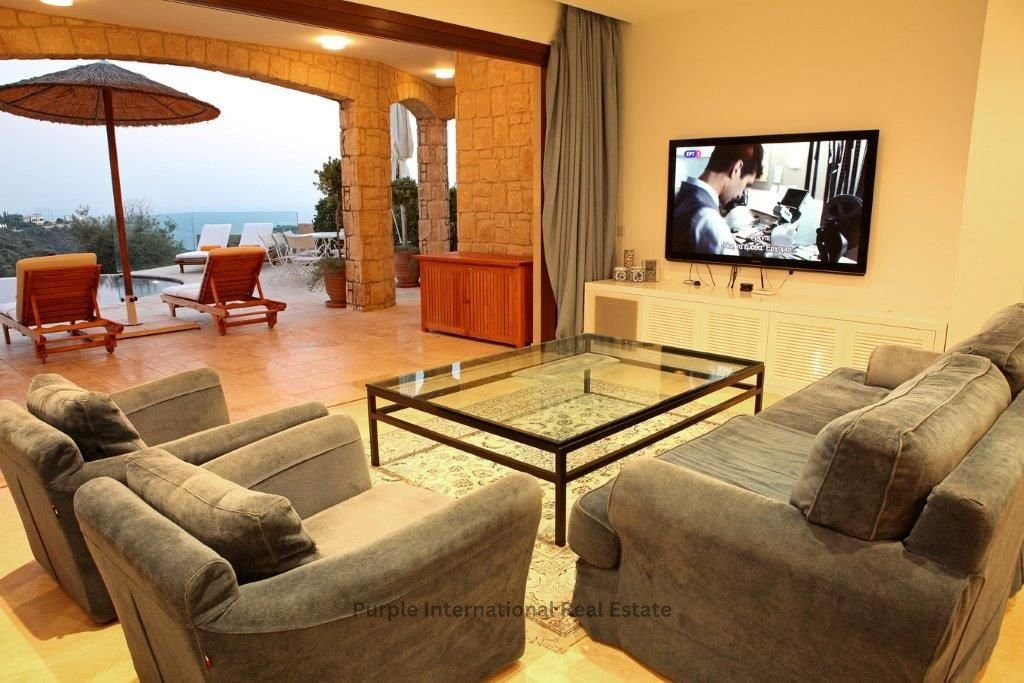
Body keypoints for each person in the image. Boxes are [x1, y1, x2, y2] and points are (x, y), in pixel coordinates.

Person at [672, 143, 764, 256]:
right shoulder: (710, 222)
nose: (740, 195)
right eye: (746, 184)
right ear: (736, 169)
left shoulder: (677, 195)